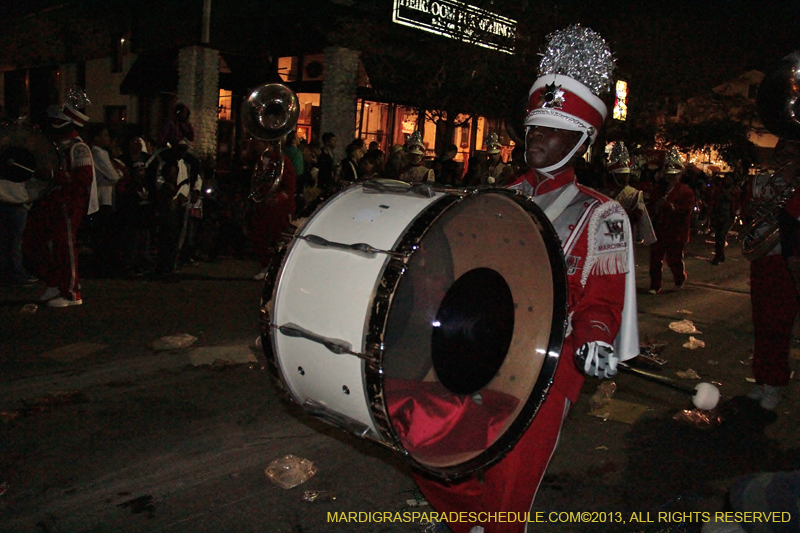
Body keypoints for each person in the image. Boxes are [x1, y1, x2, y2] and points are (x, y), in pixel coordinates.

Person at [412, 25, 638, 533]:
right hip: (475, 346)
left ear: (581, 140)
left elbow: (602, 302)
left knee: (511, 486)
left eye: (551, 130)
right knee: (424, 443)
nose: (535, 138)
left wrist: (597, 339)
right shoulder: (499, 198)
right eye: (533, 128)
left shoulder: (601, 216)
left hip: (545, 365)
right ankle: (468, 519)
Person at [23, 88, 99, 307]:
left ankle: (71, 292)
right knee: (31, 241)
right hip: (48, 201)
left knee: (65, 247)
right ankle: (55, 282)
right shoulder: (51, 145)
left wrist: (55, 176)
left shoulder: (78, 147)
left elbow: (84, 178)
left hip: (68, 203)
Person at [742, 139, 800, 410]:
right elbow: (751, 211)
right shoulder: (765, 180)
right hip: (762, 257)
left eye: (792, 153)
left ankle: (775, 384)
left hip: (786, 261)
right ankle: (762, 379)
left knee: (779, 325)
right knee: (761, 322)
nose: (786, 158)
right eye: (783, 153)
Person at [646, 147, 696, 294]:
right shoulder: (659, 189)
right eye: (668, 174)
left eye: (674, 174)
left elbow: (686, 210)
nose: (671, 177)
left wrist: (669, 206)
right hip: (660, 229)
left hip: (676, 231)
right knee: (655, 258)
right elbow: (651, 205)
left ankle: (679, 278)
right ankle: (655, 285)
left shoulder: (686, 191)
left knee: (674, 259)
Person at [87, 123, 123, 277]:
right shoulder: (98, 153)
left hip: (103, 197)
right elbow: (114, 176)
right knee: (104, 234)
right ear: (97, 138)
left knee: (102, 234)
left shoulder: (99, 153)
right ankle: (101, 267)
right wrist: (119, 174)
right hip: (103, 198)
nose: (108, 139)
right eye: (105, 135)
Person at [606, 142, 655, 245]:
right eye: (620, 175)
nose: (624, 178)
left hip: (626, 235)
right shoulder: (604, 192)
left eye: (626, 175)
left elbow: (638, 215)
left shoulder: (635, 194)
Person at [708, 173, 741, 264]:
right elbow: (714, 199)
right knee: (718, 235)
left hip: (728, 215)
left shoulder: (734, 190)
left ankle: (718, 256)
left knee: (722, 234)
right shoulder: (719, 189)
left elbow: (735, 200)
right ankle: (720, 254)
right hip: (718, 214)